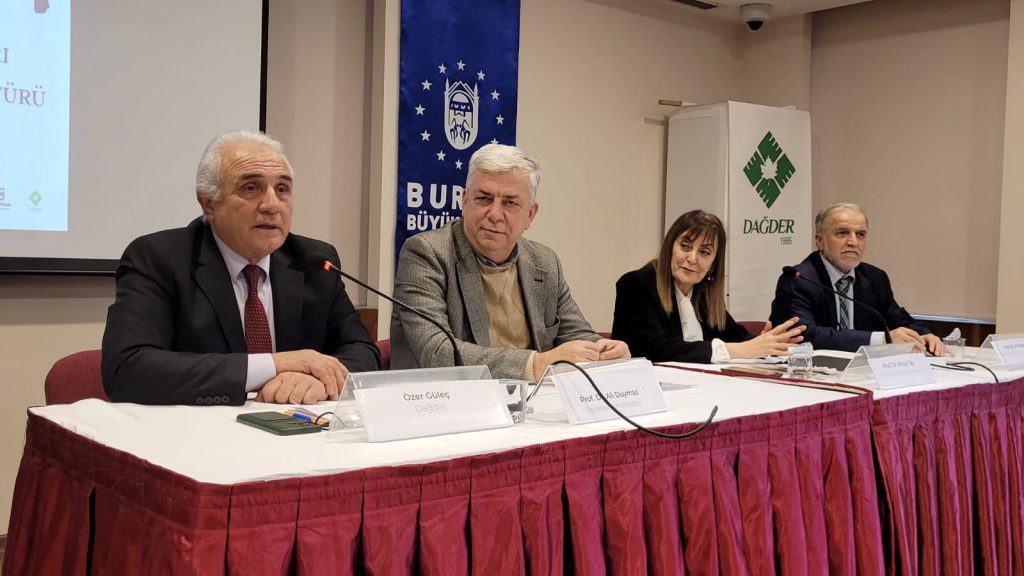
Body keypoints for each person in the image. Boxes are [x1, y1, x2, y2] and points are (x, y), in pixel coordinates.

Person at [101, 130, 379, 406]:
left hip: (293, 426)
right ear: (208, 203)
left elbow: (363, 352)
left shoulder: (315, 261)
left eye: (282, 189)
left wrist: (318, 379)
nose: (272, 205)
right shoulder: (159, 259)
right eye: (250, 188)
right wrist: (274, 365)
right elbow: (128, 369)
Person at [390, 143, 630, 380]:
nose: (494, 214)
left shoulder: (544, 262)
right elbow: (436, 352)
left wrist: (603, 350)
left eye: (510, 203)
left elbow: (576, 334)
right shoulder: (426, 253)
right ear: (464, 201)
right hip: (446, 399)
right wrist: (537, 364)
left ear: (530, 214)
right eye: (483, 198)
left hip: (533, 400)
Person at [612, 210, 805, 363]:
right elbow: (654, 349)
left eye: (704, 252)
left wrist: (765, 343)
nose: (692, 258)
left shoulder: (703, 295)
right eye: (685, 246)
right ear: (670, 247)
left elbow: (735, 336)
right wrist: (737, 350)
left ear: (713, 264)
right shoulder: (636, 284)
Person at [769, 202, 943, 354]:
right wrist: (881, 339)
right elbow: (805, 336)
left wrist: (924, 335)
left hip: (866, 370)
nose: (853, 242)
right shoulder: (798, 280)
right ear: (820, 240)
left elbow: (898, 319)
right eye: (842, 233)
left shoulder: (875, 278)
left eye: (860, 234)